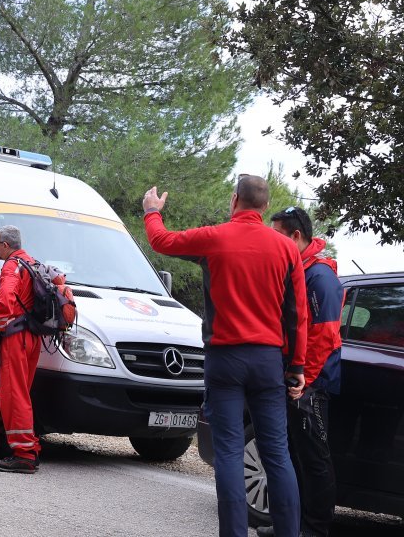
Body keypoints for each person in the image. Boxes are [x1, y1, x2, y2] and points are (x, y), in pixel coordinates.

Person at [142, 176, 308, 537]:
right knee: (277, 455)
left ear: (235, 200)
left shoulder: (213, 238)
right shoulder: (287, 249)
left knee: (230, 454)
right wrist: (296, 366)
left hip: (224, 359)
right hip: (267, 362)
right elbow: (296, 315)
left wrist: (153, 212)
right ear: (265, 208)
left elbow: (161, 240)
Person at [256, 207, 344, 537]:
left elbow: (324, 336)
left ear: (295, 236)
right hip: (291, 377)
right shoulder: (296, 270)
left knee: (314, 458)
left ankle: (314, 529)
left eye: (277, 235)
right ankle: (287, 525)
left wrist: (301, 379)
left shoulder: (320, 277)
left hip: (311, 383)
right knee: (289, 453)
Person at [0, 225, 42, 474]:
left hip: (16, 337)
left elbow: (5, 299)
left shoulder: (12, 266)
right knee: (24, 392)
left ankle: (23, 454)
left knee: (14, 394)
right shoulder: (32, 262)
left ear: (6, 245)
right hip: (33, 336)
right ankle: (28, 447)